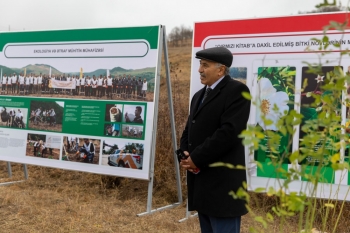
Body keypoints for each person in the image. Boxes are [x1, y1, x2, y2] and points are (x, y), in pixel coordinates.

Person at [179, 47, 251, 233]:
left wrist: (197, 158)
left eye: (205, 65)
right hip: (202, 183)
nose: (200, 70)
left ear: (221, 69)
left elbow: (228, 133)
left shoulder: (237, 91)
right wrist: (186, 154)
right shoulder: (199, 95)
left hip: (223, 185)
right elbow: (189, 129)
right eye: (200, 65)